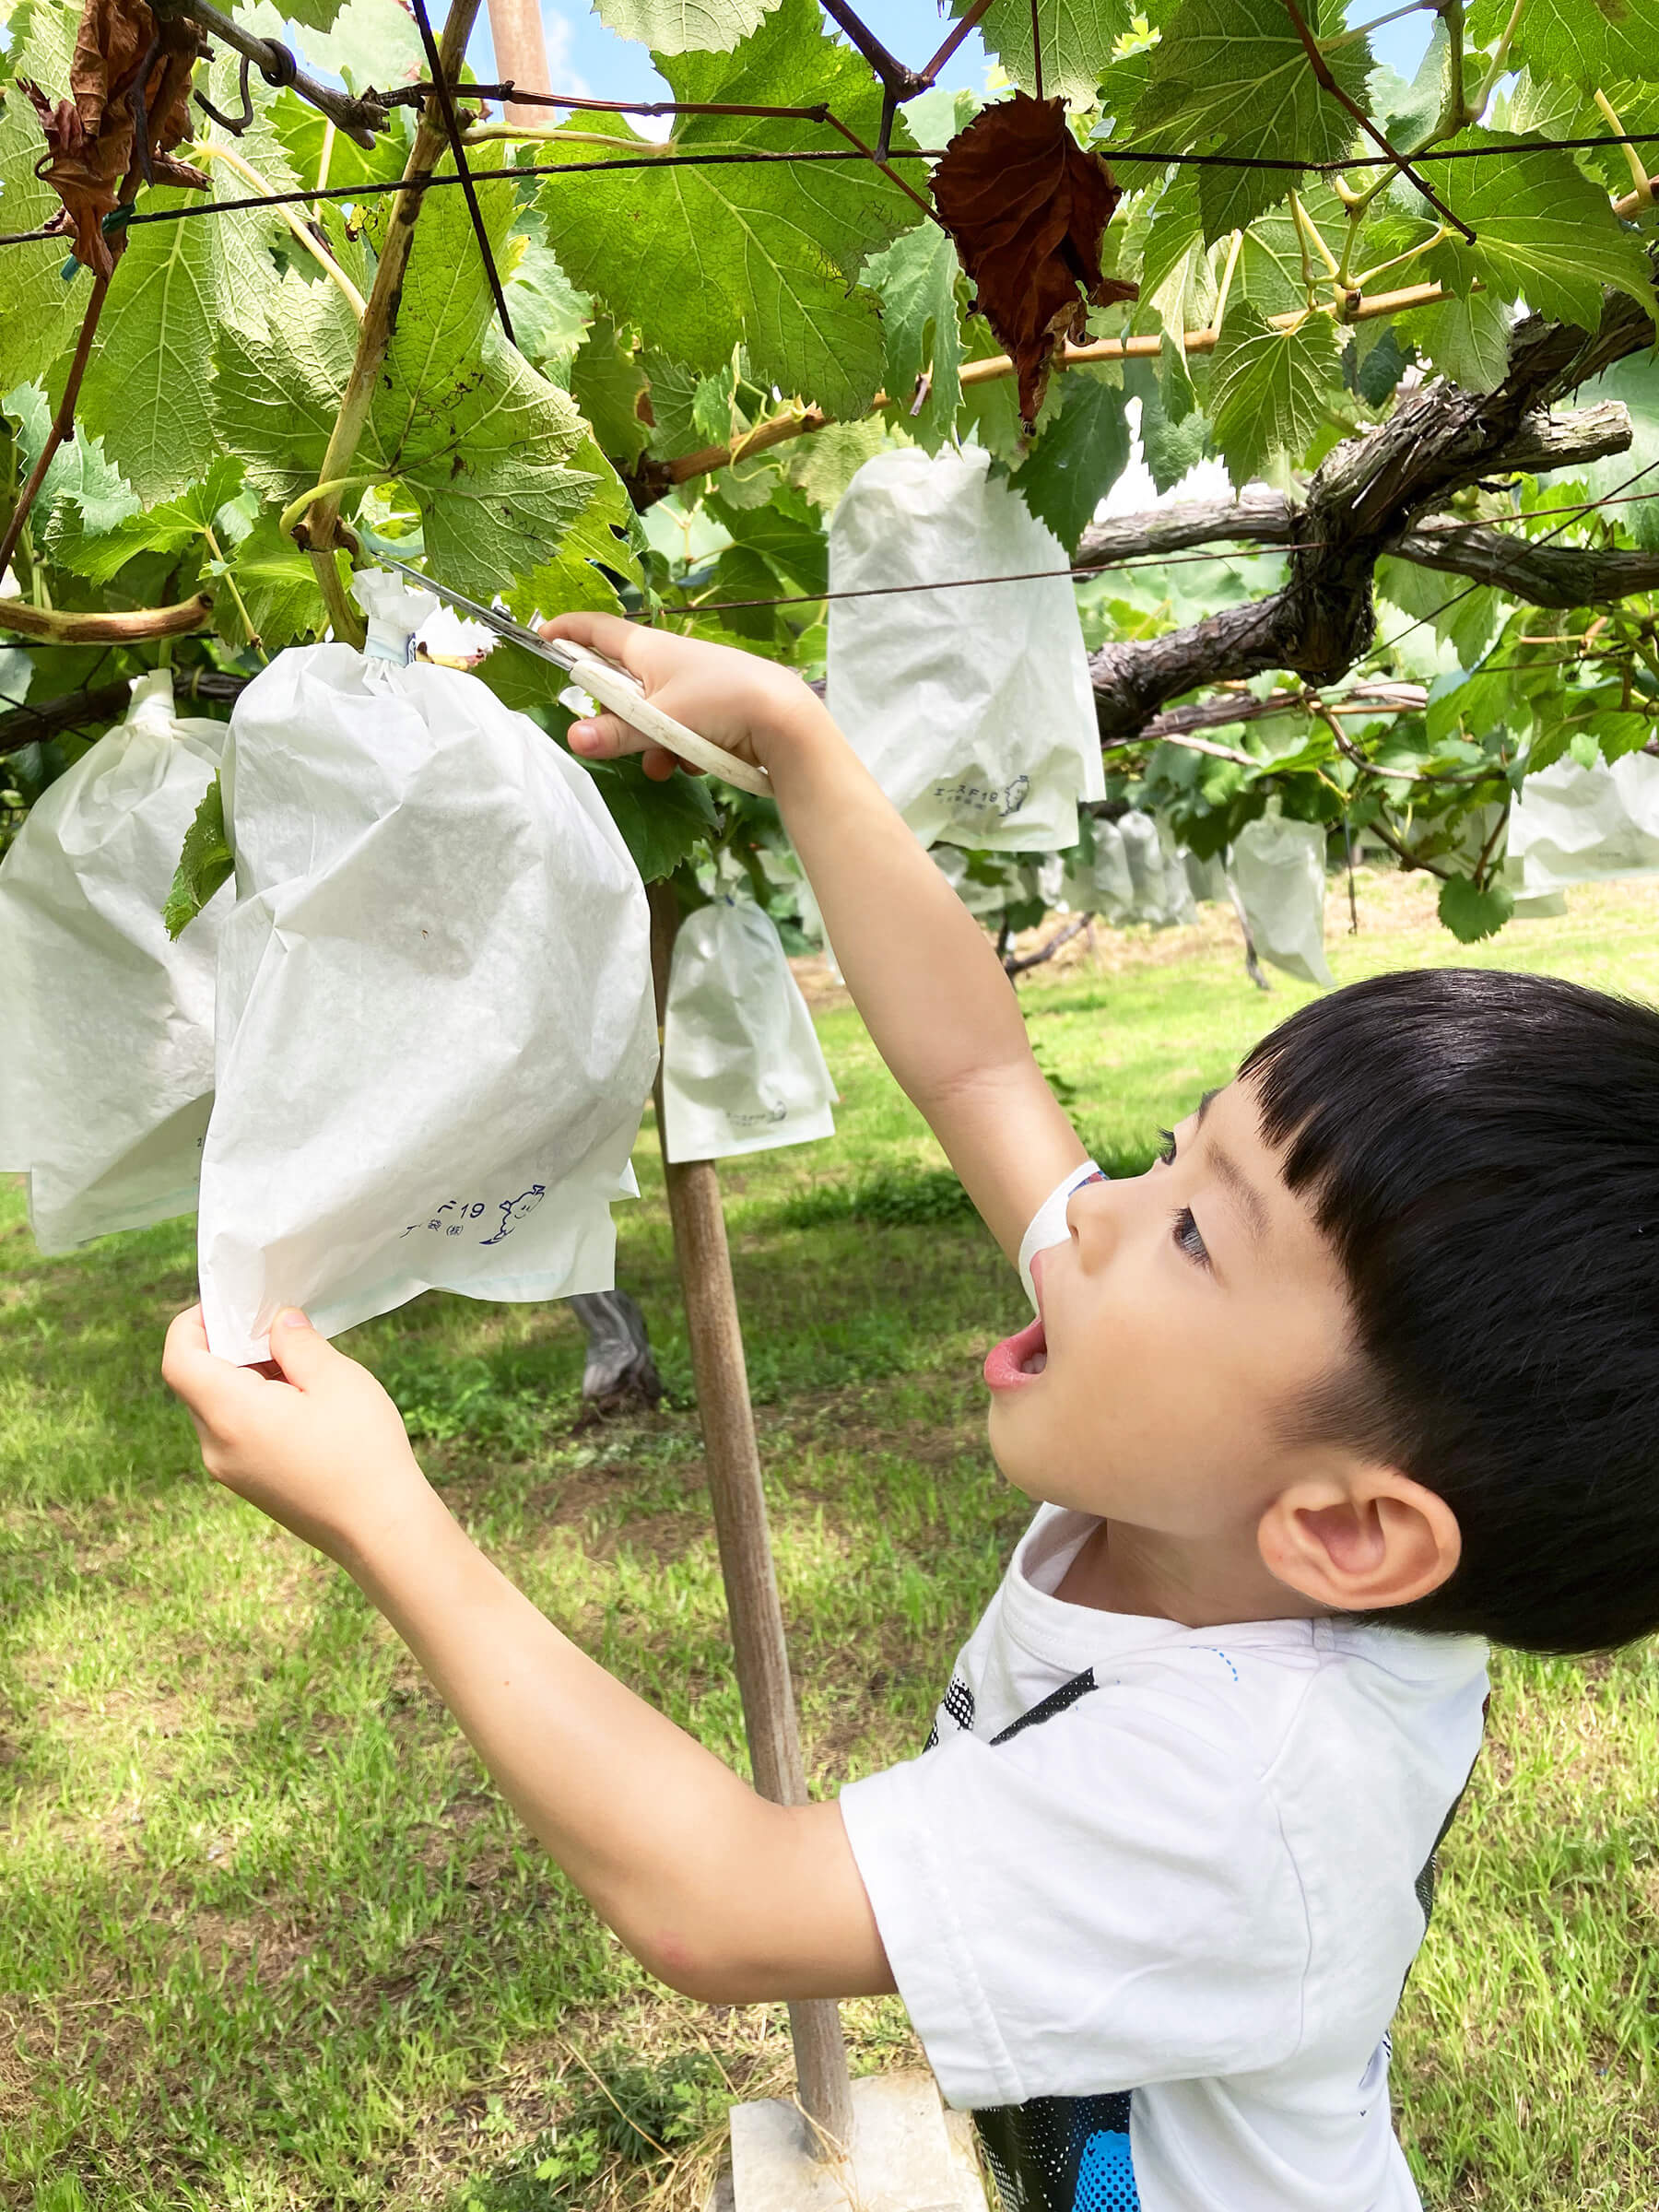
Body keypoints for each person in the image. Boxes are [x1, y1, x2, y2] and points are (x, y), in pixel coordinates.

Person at [162, 619, 1659, 2212]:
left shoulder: (1250, 1784)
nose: (1098, 1211)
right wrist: (798, 745)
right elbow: (981, 1071)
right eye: (1171, 1152)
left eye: (1198, 1230)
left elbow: (720, 1902)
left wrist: (386, 1514)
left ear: (1348, 1528)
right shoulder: (1224, 1473)